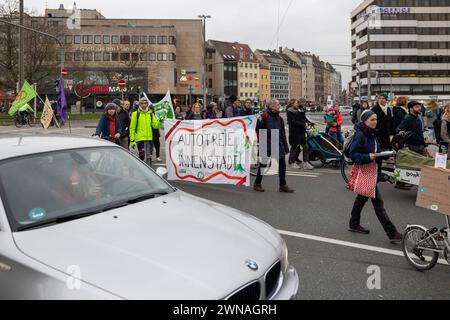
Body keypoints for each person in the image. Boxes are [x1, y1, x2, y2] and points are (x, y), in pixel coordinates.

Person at [348, 110, 403, 244]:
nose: (375, 122)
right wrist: (368, 157)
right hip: (367, 171)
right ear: (364, 121)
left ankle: (353, 224)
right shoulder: (361, 135)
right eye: (372, 119)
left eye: (376, 119)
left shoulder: (371, 133)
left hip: (372, 170)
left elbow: (375, 151)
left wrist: (384, 154)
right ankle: (392, 233)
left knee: (361, 198)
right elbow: (353, 154)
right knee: (378, 204)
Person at [254, 99, 295, 194]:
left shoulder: (279, 118)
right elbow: (259, 130)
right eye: (277, 104)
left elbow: (282, 133)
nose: (279, 106)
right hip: (266, 142)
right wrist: (258, 122)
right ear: (272, 106)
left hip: (277, 142)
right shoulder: (264, 116)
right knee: (263, 165)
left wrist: (285, 147)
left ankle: (283, 185)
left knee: (282, 165)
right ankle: (257, 183)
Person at [130, 98, 161, 166]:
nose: (144, 105)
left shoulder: (150, 114)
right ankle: (141, 171)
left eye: (145, 103)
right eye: (142, 103)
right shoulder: (135, 114)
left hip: (149, 139)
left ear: (147, 104)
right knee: (142, 156)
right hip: (140, 139)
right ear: (139, 104)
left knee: (149, 157)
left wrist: (160, 121)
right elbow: (132, 128)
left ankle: (149, 172)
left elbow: (155, 125)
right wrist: (132, 141)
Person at [287, 99, 314, 170]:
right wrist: (303, 124)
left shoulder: (299, 110)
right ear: (292, 104)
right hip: (294, 132)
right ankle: (291, 162)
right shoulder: (290, 111)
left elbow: (303, 118)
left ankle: (306, 162)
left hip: (301, 132)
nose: (297, 104)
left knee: (305, 146)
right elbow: (293, 122)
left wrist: (309, 123)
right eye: (296, 103)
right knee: (294, 147)